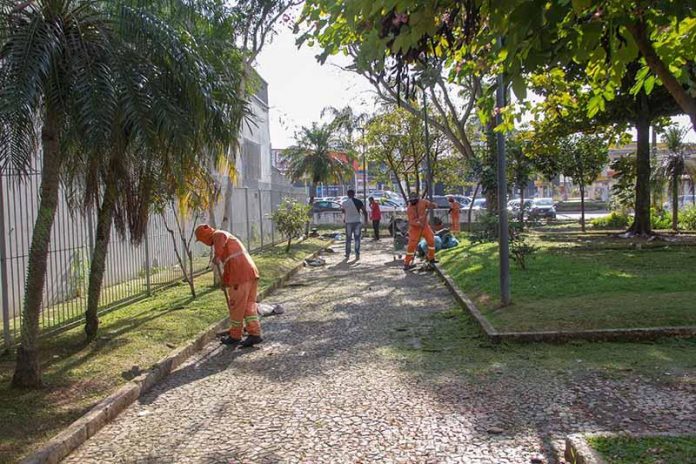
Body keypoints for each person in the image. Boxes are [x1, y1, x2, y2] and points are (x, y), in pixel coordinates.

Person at [195, 224, 262, 347]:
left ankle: (235, 336)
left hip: (240, 275)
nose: (203, 243)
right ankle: (255, 334)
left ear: (204, 236)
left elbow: (221, 240)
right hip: (250, 273)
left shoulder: (218, 235)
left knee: (236, 306)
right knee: (248, 306)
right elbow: (228, 265)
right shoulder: (226, 243)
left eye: (201, 240)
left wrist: (217, 256)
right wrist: (225, 282)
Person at [404, 191, 436, 270]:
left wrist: (432, 205)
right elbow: (411, 221)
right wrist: (418, 223)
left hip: (425, 227)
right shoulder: (409, 209)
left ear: (417, 199)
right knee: (411, 246)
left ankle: (431, 258)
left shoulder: (423, 202)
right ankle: (407, 263)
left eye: (413, 200)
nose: (412, 202)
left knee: (431, 240)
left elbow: (431, 205)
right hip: (414, 229)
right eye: (411, 201)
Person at [341, 189, 367, 259]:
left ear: (347, 195)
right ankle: (357, 254)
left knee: (348, 239)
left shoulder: (344, 203)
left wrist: (344, 219)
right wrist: (366, 221)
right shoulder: (359, 202)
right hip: (357, 222)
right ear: (354, 194)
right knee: (357, 239)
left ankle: (347, 254)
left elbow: (343, 213)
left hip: (348, 222)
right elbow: (364, 211)